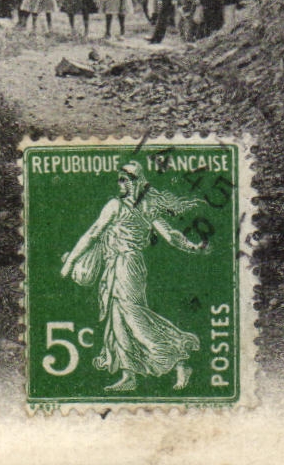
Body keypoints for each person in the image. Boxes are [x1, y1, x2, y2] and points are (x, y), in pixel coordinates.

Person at [60, 162, 206, 392]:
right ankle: (129, 375)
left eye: (124, 179)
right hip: (117, 265)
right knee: (117, 319)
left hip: (127, 265)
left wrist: (70, 262)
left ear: (135, 182)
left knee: (134, 316)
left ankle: (178, 358)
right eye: (118, 179)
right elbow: (171, 236)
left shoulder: (121, 206)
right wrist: (192, 246)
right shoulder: (139, 207)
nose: (119, 184)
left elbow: (93, 234)